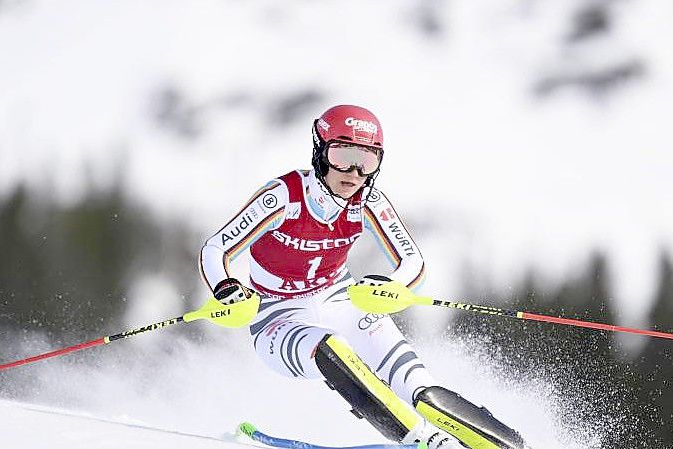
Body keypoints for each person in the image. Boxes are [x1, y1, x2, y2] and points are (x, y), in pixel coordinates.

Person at [199, 105, 525, 449]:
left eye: (367, 161)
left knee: (422, 392)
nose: (354, 172)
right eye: (343, 155)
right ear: (320, 152)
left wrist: (392, 287)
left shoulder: (368, 201)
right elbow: (216, 249)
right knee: (329, 350)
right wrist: (226, 288)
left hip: (342, 302)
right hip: (278, 317)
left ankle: (511, 445)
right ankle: (422, 441)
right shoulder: (284, 196)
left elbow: (412, 261)